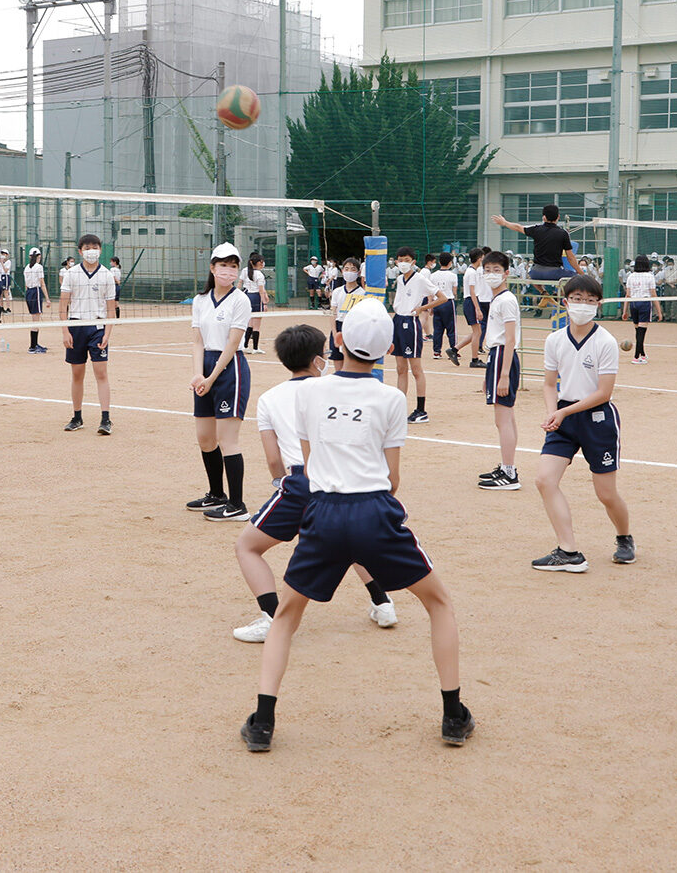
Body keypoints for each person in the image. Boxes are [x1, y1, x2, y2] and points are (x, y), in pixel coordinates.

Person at [239, 299, 473, 753]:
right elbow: (394, 477)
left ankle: (263, 722)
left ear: (339, 341)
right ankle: (453, 715)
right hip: (375, 510)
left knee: (286, 616)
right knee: (438, 603)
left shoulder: (309, 392)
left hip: (323, 510)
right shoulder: (392, 397)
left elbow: (307, 461)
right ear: (386, 348)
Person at [230, 324, 397, 643]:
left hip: (302, 481)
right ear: (318, 358)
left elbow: (273, 460)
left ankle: (272, 618)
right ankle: (383, 603)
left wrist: (281, 485)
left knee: (247, 547)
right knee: (348, 539)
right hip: (345, 476)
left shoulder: (269, 398)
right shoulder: (335, 389)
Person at [532, 274, 633, 571]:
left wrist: (563, 412)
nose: (583, 305)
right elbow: (549, 384)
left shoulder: (605, 342)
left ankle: (624, 538)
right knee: (544, 480)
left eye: (590, 301)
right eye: (577, 299)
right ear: (566, 302)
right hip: (564, 417)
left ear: (598, 305)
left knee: (605, 492)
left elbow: (604, 392)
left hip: (597, 418)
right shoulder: (554, 340)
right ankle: (568, 551)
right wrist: (554, 412)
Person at [187, 243, 252, 522]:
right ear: (212, 267)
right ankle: (217, 494)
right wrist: (198, 374)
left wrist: (212, 377)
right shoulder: (200, 300)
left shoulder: (241, 300)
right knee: (205, 438)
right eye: (223, 265)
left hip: (230, 370)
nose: (229, 271)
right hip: (206, 369)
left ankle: (237, 505)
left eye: (233, 266)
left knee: (228, 439)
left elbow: (233, 342)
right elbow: (197, 340)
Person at [59, 234, 116, 436]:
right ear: (80, 250)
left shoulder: (106, 275)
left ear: (100, 249)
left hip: (98, 328)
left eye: (95, 247)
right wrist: (65, 330)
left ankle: (105, 418)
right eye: (87, 247)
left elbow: (111, 309)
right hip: (76, 326)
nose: (92, 251)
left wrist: (107, 334)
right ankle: (77, 417)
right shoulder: (71, 273)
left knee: (101, 373)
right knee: (77, 374)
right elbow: (63, 304)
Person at [476, 251, 522, 491]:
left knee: (502, 419)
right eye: (487, 270)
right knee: (507, 417)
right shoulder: (498, 299)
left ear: (506, 273)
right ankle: (507, 468)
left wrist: (503, 375)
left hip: (503, 357)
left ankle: (509, 472)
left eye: (496, 270)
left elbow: (509, 340)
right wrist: (490, 374)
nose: (491, 274)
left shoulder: (506, 300)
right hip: (497, 358)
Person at [390, 246, 445, 423]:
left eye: (406, 260)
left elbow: (442, 298)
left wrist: (422, 308)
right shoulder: (399, 278)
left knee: (415, 369)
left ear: (413, 262)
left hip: (410, 323)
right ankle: (399, 409)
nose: (403, 263)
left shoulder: (420, 278)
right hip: (397, 321)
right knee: (400, 368)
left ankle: (421, 410)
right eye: (400, 260)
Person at [491, 202, 578, 285]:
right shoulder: (563, 233)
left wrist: (505, 223)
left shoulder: (536, 230)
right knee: (573, 277)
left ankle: (543, 292)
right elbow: (570, 258)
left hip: (536, 272)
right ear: (558, 217)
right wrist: (581, 273)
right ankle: (559, 297)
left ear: (544, 217)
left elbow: (518, 227)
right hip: (554, 272)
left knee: (532, 276)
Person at [325, 257, 369, 366]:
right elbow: (333, 312)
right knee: (338, 363)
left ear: (358, 273)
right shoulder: (337, 292)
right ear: (342, 271)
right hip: (339, 326)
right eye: (346, 269)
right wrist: (335, 332)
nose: (349, 272)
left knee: (352, 364)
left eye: (353, 269)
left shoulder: (363, 293)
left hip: (354, 328)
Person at [621, 254, 660, 364]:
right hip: (644, 303)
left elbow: (627, 295)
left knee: (638, 331)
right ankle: (636, 357)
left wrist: (625, 311)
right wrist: (659, 312)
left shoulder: (631, 276)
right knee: (641, 332)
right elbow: (654, 295)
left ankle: (642, 353)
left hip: (634, 304)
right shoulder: (649, 276)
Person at [454, 247, 487, 368]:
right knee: (477, 332)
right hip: (471, 301)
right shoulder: (472, 272)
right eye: (483, 258)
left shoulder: (471, 270)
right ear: (479, 259)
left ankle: (454, 349)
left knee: (476, 331)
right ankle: (474, 359)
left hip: (471, 301)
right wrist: (477, 308)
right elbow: (472, 291)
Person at [430, 251, 459, 365]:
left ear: (439, 262)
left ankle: (436, 351)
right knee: (451, 328)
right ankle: (453, 349)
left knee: (437, 328)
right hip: (448, 302)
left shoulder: (433, 276)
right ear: (450, 262)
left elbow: (431, 292)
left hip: (436, 302)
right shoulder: (453, 275)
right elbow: (454, 291)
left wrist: (431, 304)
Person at [242, 253, 268, 354]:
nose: (262, 264)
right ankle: (256, 348)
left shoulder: (246, 271)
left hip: (248, 296)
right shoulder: (259, 274)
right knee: (256, 325)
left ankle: (245, 345)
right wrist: (265, 303)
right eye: (261, 262)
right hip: (256, 298)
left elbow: (241, 283)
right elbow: (261, 290)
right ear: (256, 263)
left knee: (250, 323)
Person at [23, 248, 47, 353]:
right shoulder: (39, 267)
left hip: (29, 293)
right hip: (36, 292)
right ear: (39, 256)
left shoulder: (26, 268)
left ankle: (35, 344)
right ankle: (32, 347)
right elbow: (42, 283)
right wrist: (48, 298)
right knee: (36, 321)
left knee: (35, 319)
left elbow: (26, 285)